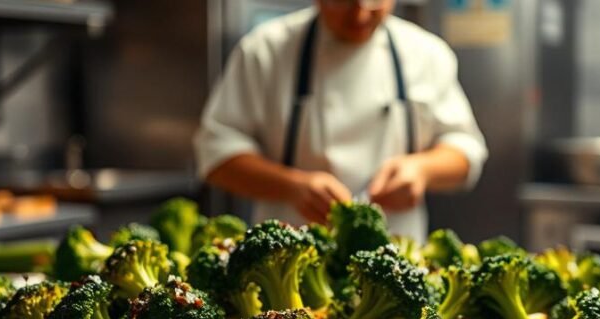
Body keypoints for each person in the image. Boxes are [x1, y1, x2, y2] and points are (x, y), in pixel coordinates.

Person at [194, 0, 487, 239]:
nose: (359, 13)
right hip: (288, 267)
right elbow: (215, 155)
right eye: (342, 1)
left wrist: (421, 169)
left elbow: (465, 150)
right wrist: (291, 186)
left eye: (374, 1)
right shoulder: (264, 50)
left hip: (399, 260)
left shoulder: (428, 54)